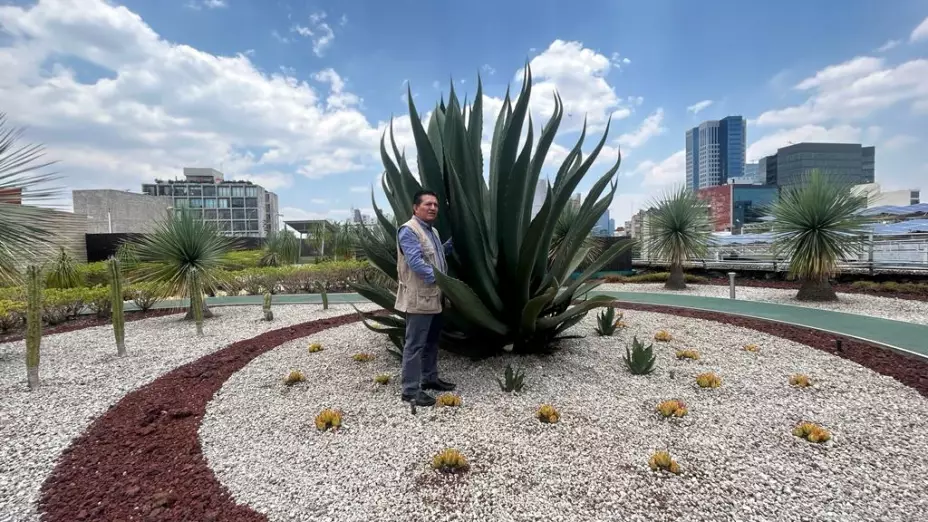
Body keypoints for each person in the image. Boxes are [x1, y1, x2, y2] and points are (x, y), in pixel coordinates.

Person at [395, 189, 456, 406]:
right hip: (420, 297)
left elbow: (438, 254)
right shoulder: (409, 231)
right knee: (415, 344)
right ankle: (410, 391)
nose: (432, 208)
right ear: (415, 207)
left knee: (431, 341)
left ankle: (429, 379)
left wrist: (458, 240)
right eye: (428, 204)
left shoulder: (433, 232)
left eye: (435, 205)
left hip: (435, 297)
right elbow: (416, 262)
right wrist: (441, 280)